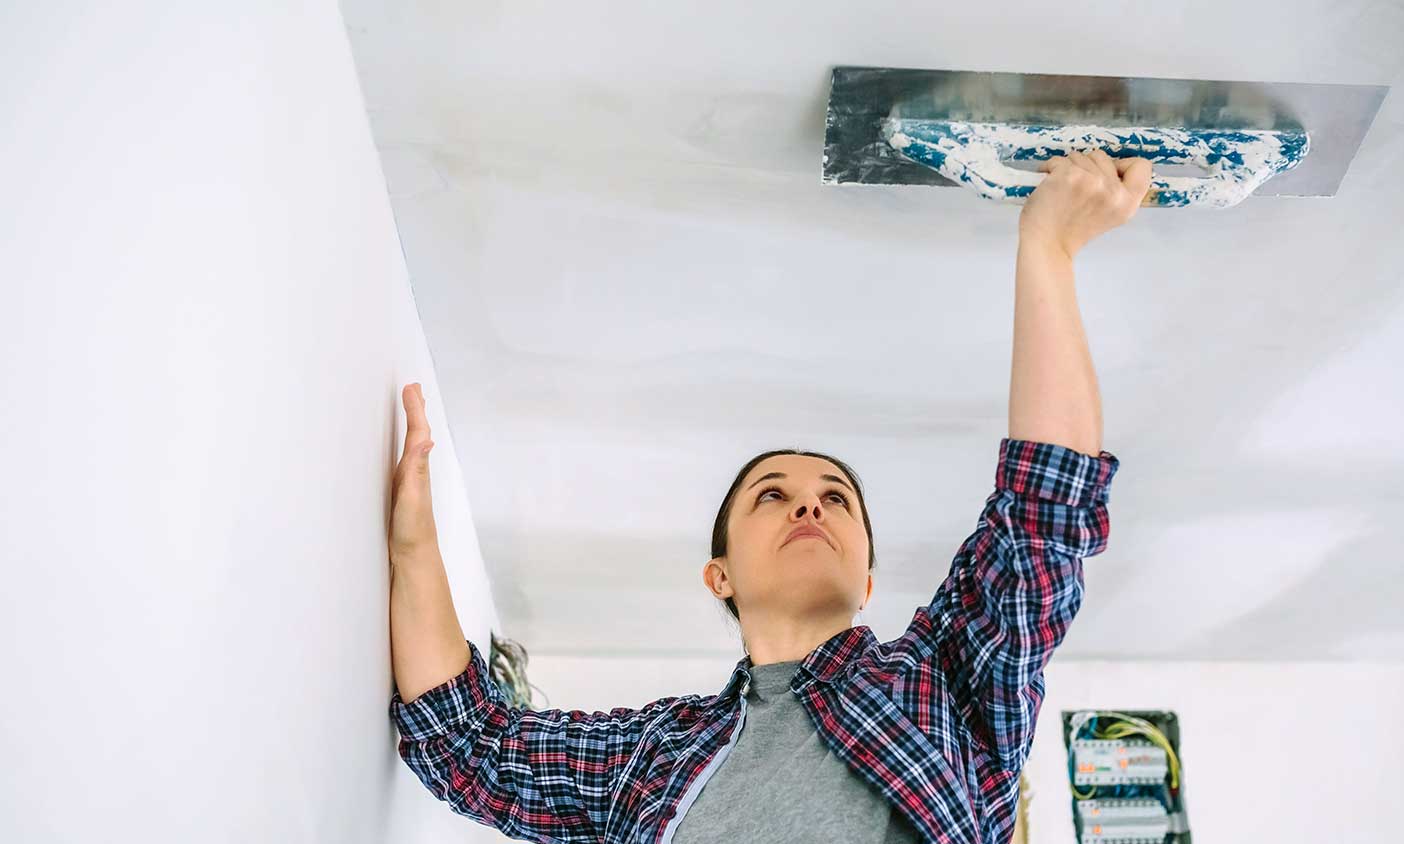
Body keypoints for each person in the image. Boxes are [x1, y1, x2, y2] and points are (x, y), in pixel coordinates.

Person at [388, 150, 1154, 843]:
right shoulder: (649, 760)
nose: (809, 506)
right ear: (719, 575)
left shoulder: (945, 687)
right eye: (772, 496)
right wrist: (413, 545)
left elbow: (1041, 513)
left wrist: (1048, 248)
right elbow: (468, 746)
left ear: (869, 582)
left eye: (836, 499)